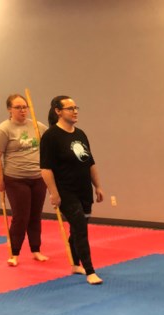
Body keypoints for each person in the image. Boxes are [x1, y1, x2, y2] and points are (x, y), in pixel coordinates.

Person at [39, 95, 105, 285]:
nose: (75, 111)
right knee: (80, 229)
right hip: (66, 191)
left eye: (76, 108)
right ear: (58, 111)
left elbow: (90, 162)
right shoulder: (51, 137)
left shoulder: (80, 134)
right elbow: (45, 168)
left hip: (84, 189)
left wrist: (98, 186)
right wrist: (54, 193)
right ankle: (90, 271)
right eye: (70, 108)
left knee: (78, 229)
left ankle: (75, 264)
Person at [0, 94, 49, 267]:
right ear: (9, 109)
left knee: (35, 215)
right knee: (21, 216)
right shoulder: (3, 129)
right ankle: (14, 253)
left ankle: (36, 250)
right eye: (18, 107)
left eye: (24, 107)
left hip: (38, 177)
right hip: (15, 179)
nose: (22, 110)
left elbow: (51, 141)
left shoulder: (37, 126)